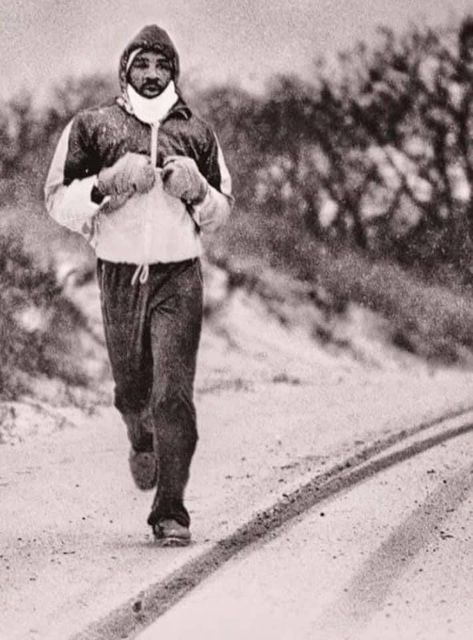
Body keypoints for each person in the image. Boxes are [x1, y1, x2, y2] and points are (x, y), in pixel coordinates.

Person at [44, 24, 233, 546]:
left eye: (162, 66)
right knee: (133, 389)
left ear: (175, 71)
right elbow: (56, 199)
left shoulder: (196, 131)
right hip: (118, 272)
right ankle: (138, 430)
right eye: (142, 66)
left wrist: (196, 190)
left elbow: (221, 208)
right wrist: (105, 185)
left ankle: (170, 511)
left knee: (173, 394)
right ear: (125, 71)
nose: (152, 76)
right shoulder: (92, 126)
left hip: (179, 273)